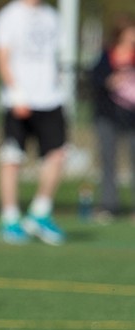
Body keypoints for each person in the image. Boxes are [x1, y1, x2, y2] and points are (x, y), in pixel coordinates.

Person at [0, 0, 68, 245]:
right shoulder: (8, 16)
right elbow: (2, 57)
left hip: (50, 99)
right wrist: (16, 94)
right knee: (12, 158)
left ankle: (40, 212)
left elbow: (56, 56)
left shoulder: (51, 16)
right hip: (20, 100)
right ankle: (10, 219)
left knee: (56, 155)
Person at [90, 14, 135, 223]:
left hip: (132, 117)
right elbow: (94, 80)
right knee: (108, 160)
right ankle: (109, 206)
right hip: (108, 115)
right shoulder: (106, 56)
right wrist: (110, 80)